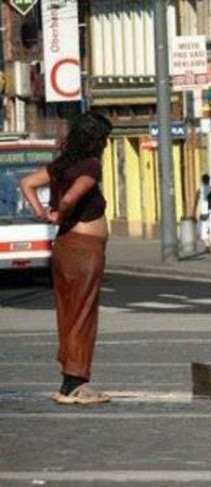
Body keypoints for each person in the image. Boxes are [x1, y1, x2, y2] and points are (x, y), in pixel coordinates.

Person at [20, 111, 113, 404]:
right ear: (96, 139)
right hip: (84, 249)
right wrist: (61, 213)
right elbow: (73, 196)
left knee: (69, 313)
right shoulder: (90, 166)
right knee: (83, 314)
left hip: (65, 247)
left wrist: (41, 212)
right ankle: (75, 384)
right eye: (105, 138)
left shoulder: (63, 164)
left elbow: (27, 183)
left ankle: (69, 382)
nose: (106, 144)